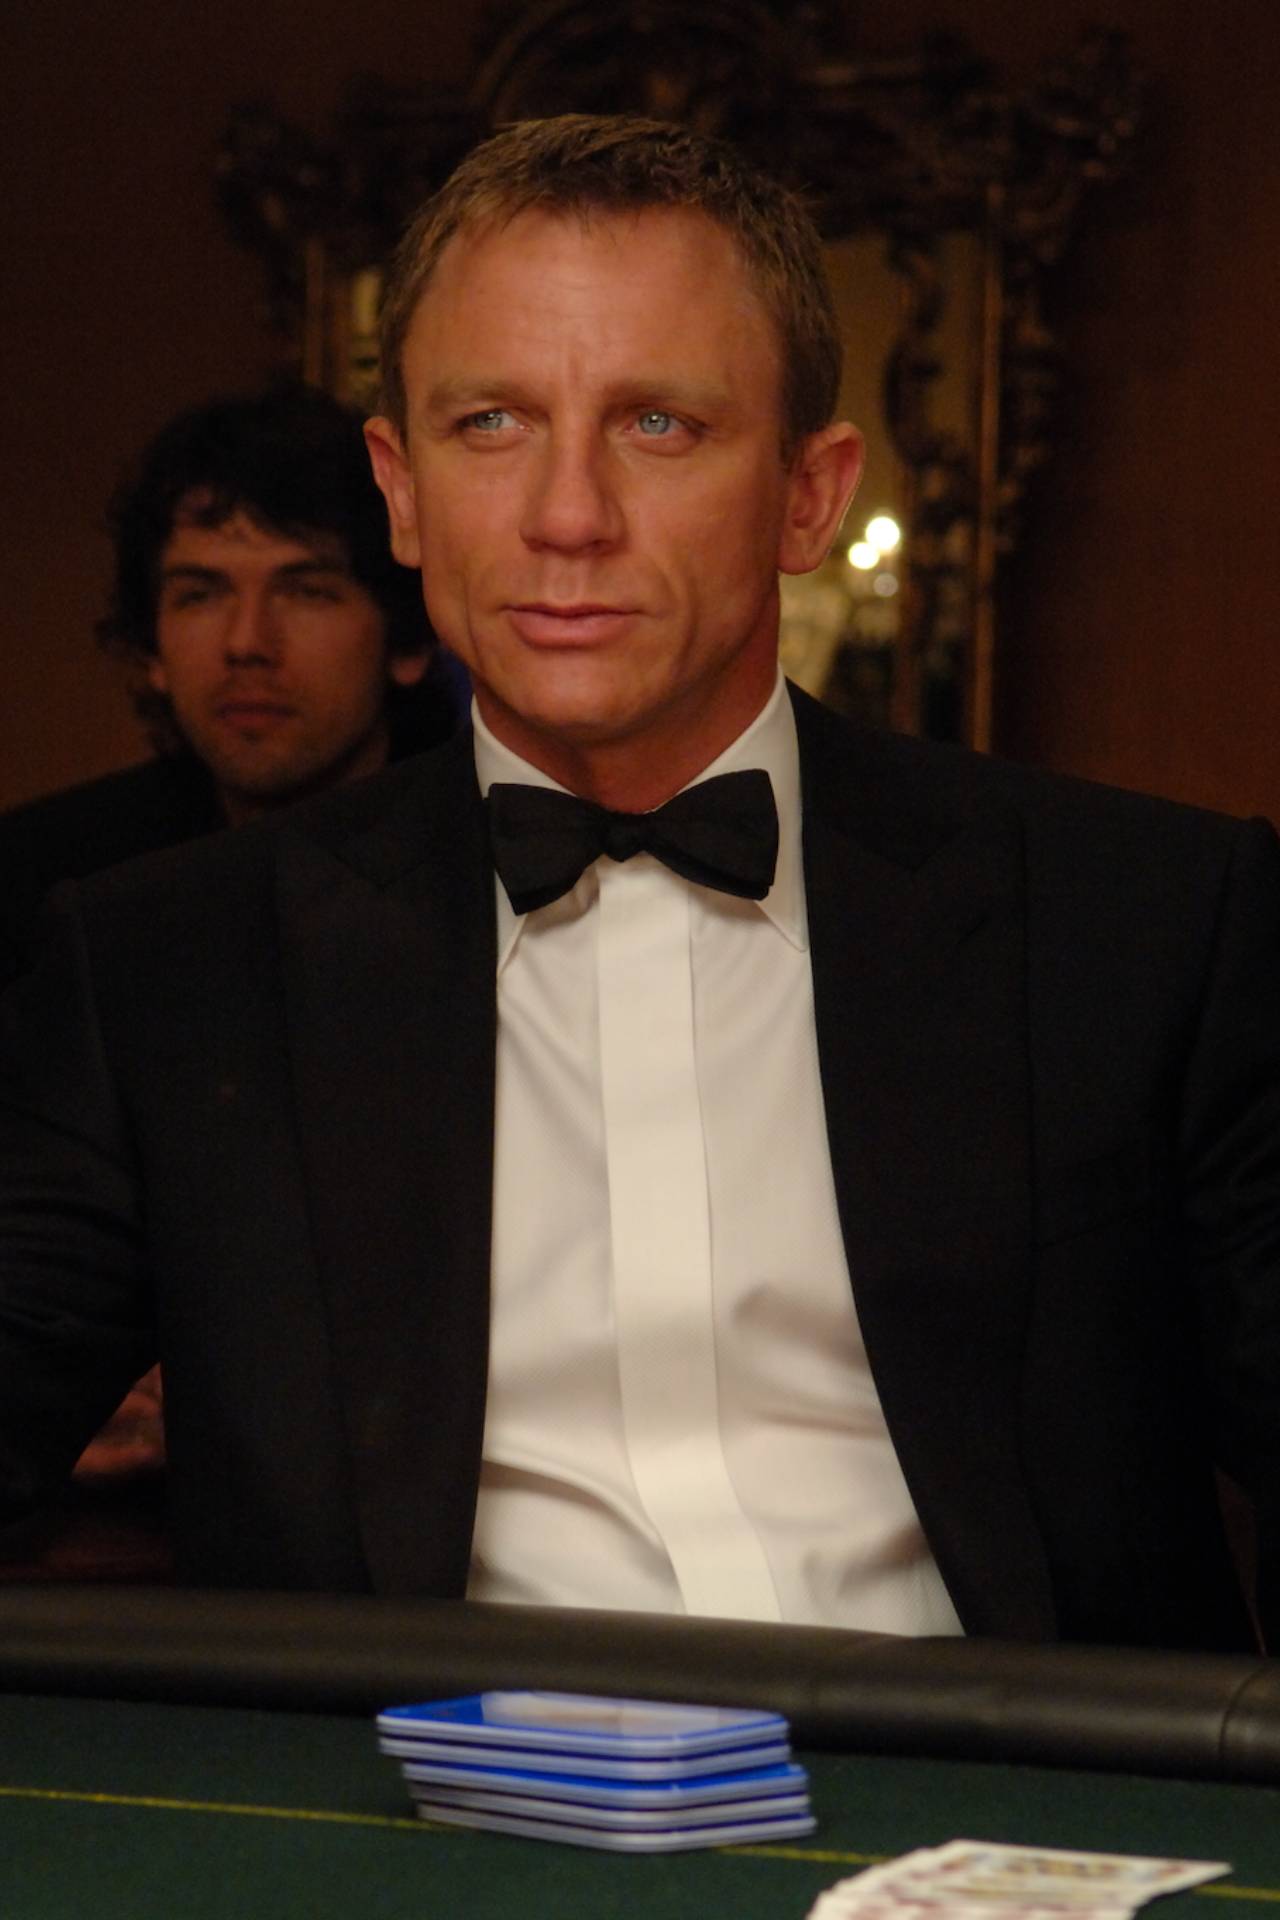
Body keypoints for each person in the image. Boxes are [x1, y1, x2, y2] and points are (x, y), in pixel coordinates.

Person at [2, 115, 1279, 1653]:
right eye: (492, 423)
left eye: (659, 424)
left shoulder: (1148, 924)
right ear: (401, 491)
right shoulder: (168, 967)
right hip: (411, 1789)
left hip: (1000, 1779)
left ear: (809, 494)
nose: (567, 516)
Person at [0, 383, 461, 981]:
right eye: (201, 595)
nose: (246, 643)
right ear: (153, 647)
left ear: (408, 641)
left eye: (306, 592)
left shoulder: (487, 864)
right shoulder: (47, 883)